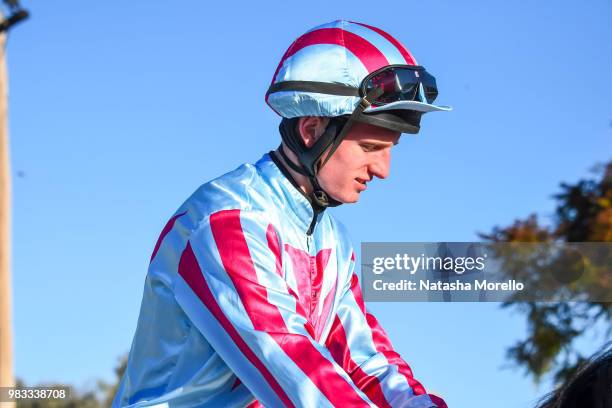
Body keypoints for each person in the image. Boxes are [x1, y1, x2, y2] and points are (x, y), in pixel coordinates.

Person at [113, 20, 451, 408]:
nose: (384, 169)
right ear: (311, 129)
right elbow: (291, 363)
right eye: (372, 147)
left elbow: (366, 363)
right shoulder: (228, 221)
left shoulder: (331, 240)